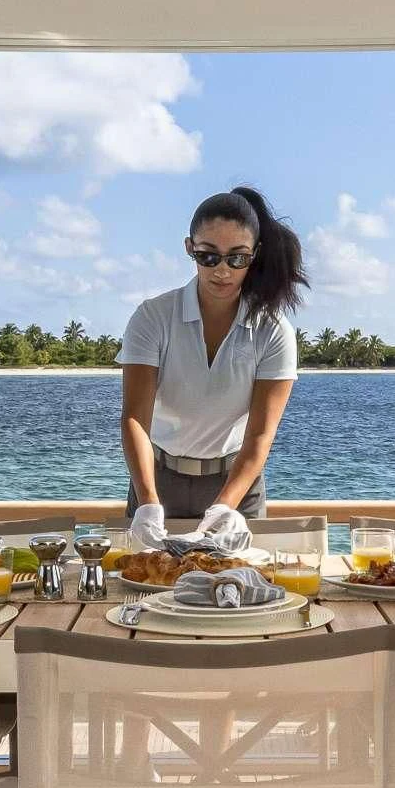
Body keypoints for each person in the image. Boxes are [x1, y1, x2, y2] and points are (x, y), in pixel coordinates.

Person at [117, 185, 308, 549]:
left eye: (237, 258)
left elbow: (259, 437)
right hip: (156, 480)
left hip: (236, 482)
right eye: (208, 257)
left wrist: (226, 506)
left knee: (239, 590)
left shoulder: (273, 330)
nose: (222, 270)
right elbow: (135, 419)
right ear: (189, 248)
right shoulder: (153, 317)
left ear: (254, 255)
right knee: (143, 585)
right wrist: (148, 503)